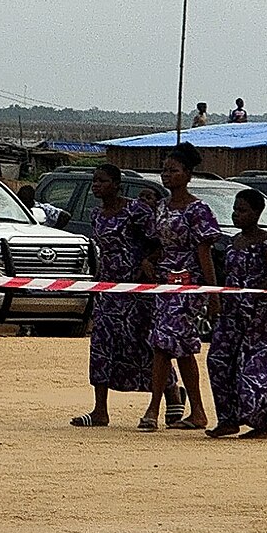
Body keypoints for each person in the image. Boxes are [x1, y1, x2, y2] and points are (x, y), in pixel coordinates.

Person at [72, 162, 160, 427]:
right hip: (108, 290)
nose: (96, 185)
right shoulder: (97, 215)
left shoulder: (136, 211)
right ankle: (100, 410)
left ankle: (169, 392)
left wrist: (147, 262)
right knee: (101, 345)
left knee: (143, 344)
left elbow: (159, 242)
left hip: (135, 291)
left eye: (102, 180)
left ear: (117, 184)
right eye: (94, 180)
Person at [140, 145, 218, 432]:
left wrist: (212, 294)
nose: (167, 175)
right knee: (181, 348)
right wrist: (148, 261)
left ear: (188, 174)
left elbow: (204, 253)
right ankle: (197, 412)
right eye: (164, 170)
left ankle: (152, 409)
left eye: (173, 171)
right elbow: (161, 246)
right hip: (164, 283)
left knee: (162, 344)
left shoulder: (198, 210)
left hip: (189, 284)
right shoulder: (161, 208)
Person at [207, 186, 267, 439]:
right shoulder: (233, 242)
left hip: (261, 317)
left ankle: (260, 423)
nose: (237, 215)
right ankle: (228, 419)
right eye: (235, 210)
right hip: (232, 313)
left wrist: (254, 293)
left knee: (255, 368)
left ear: (257, 213)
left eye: (243, 210)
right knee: (219, 360)